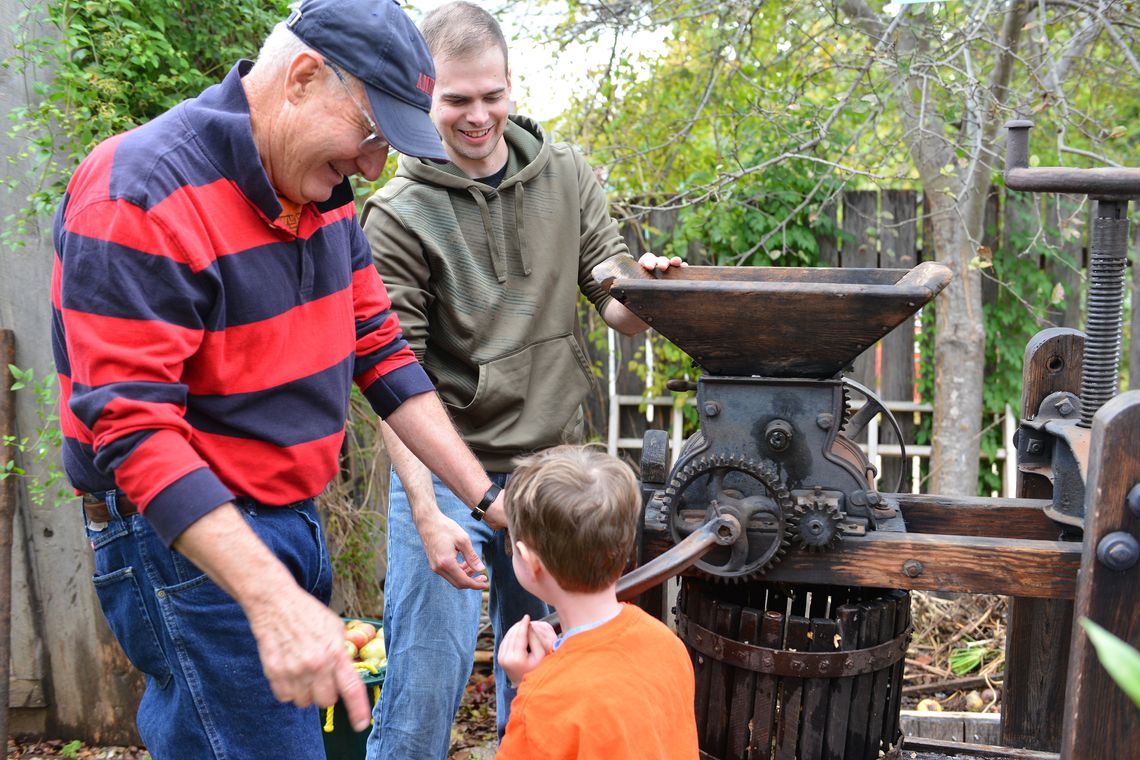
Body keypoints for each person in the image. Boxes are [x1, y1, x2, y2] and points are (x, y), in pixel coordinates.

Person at [50, 1, 510, 757]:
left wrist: (487, 500)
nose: (373, 167)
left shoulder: (318, 193)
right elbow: (133, 431)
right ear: (301, 78)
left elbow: (382, 350)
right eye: (371, 136)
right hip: (188, 543)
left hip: (289, 517)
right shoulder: (138, 190)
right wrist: (270, 600)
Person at [360, 3, 683, 757]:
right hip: (445, 471)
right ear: (423, 96)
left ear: (511, 84)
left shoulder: (568, 174)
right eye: (456, 100)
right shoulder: (398, 214)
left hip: (548, 472)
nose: (478, 116)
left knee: (549, 680)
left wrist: (648, 291)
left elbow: (612, 297)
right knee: (422, 687)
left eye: (491, 95)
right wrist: (428, 510)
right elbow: (390, 374)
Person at [495, 445, 699, 758]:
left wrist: (524, 687)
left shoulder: (544, 698)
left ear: (528, 560)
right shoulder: (667, 645)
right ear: (626, 545)